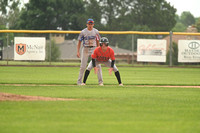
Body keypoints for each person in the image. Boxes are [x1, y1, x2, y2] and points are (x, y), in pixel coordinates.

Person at [77, 18, 103, 85]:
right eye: (89, 24)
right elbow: (79, 42)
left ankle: (100, 82)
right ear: (87, 24)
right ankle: (79, 82)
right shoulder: (83, 32)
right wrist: (78, 51)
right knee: (83, 66)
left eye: (91, 24)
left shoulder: (96, 31)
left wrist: (98, 50)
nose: (90, 25)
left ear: (93, 24)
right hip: (85, 49)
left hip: (94, 49)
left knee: (98, 65)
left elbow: (98, 41)